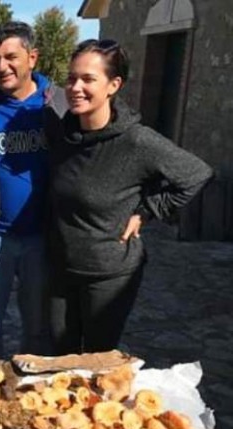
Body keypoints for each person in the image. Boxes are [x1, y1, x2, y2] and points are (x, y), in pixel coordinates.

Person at [45, 39, 213, 354]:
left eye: (88, 79)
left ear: (113, 85)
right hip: (60, 270)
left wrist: (148, 210)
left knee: (98, 364)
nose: (75, 87)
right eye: (71, 78)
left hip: (108, 276)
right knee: (58, 360)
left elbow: (196, 174)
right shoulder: (63, 134)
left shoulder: (137, 142)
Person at [0, 22, 66, 358]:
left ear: (33, 57)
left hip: (40, 235)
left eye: (11, 57)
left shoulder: (57, 105)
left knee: (37, 326)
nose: (2, 67)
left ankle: (31, 390)